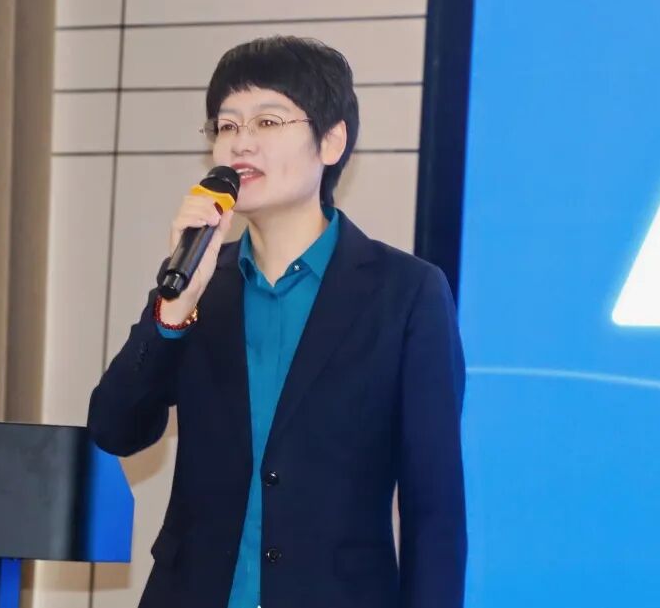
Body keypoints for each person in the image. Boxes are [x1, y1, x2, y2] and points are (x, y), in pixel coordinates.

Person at [87, 36, 466, 608]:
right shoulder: (199, 286)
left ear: (331, 141)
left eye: (268, 121)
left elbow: (434, 508)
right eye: (227, 125)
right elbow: (116, 429)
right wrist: (173, 310)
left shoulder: (405, 293)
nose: (242, 142)